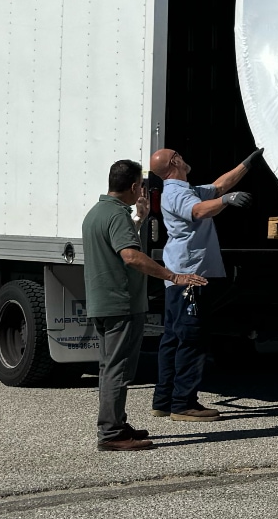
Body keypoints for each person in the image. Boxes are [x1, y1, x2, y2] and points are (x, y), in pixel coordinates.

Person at [84, 159, 207, 451]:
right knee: (119, 369)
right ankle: (111, 434)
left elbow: (117, 247)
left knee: (109, 367)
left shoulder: (97, 213)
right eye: (140, 186)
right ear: (134, 186)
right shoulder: (116, 216)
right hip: (121, 304)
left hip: (102, 303)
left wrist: (139, 218)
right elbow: (130, 256)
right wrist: (172, 275)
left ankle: (116, 422)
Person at [148, 146, 259, 421]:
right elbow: (198, 211)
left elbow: (221, 185)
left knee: (173, 338)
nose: (185, 156)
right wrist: (226, 202)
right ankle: (184, 404)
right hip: (192, 279)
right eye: (179, 154)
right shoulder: (178, 194)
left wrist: (248, 162)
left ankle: (163, 400)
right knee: (192, 338)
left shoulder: (186, 189)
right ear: (175, 161)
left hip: (180, 277)